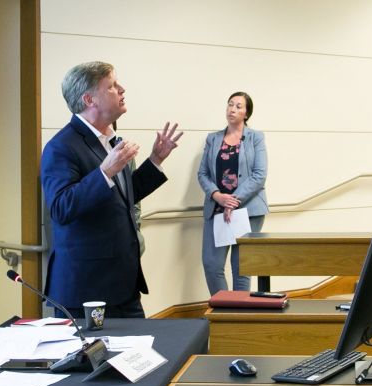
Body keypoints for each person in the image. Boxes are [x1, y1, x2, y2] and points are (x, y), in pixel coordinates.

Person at [41, 61, 182, 318]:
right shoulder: (60, 147)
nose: (122, 89)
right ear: (89, 99)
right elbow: (61, 208)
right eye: (112, 86)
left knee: (141, 356)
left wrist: (155, 161)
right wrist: (104, 172)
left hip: (124, 285)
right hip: (86, 291)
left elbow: (122, 198)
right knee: (89, 360)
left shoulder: (111, 141)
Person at [197, 92, 269, 295]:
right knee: (212, 265)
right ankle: (223, 312)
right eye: (230, 104)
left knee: (241, 269)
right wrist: (216, 195)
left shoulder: (255, 137)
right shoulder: (213, 139)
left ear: (246, 113)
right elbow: (202, 173)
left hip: (248, 210)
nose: (232, 109)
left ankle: (239, 315)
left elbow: (259, 174)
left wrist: (233, 201)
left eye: (238, 106)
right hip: (216, 207)